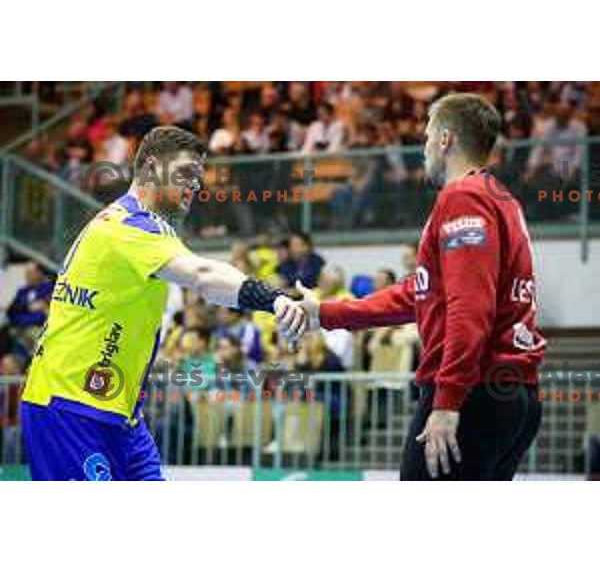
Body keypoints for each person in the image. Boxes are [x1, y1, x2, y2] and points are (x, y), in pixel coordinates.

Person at [20, 126, 307, 481]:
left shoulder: (144, 226)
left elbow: (206, 284)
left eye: (198, 177)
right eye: (187, 173)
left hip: (122, 416)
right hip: (70, 408)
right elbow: (202, 275)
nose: (196, 185)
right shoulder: (127, 226)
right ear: (153, 168)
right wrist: (274, 298)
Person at [292, 93, 545, 481]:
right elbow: (418, 293)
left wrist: (447, 401)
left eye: (428, 135)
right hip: (508, 394)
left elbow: (469, 307)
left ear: (445, 140)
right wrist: (325, 313)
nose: (423, 145)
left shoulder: (464, 196)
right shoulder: (499, 197)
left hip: (474, 394)